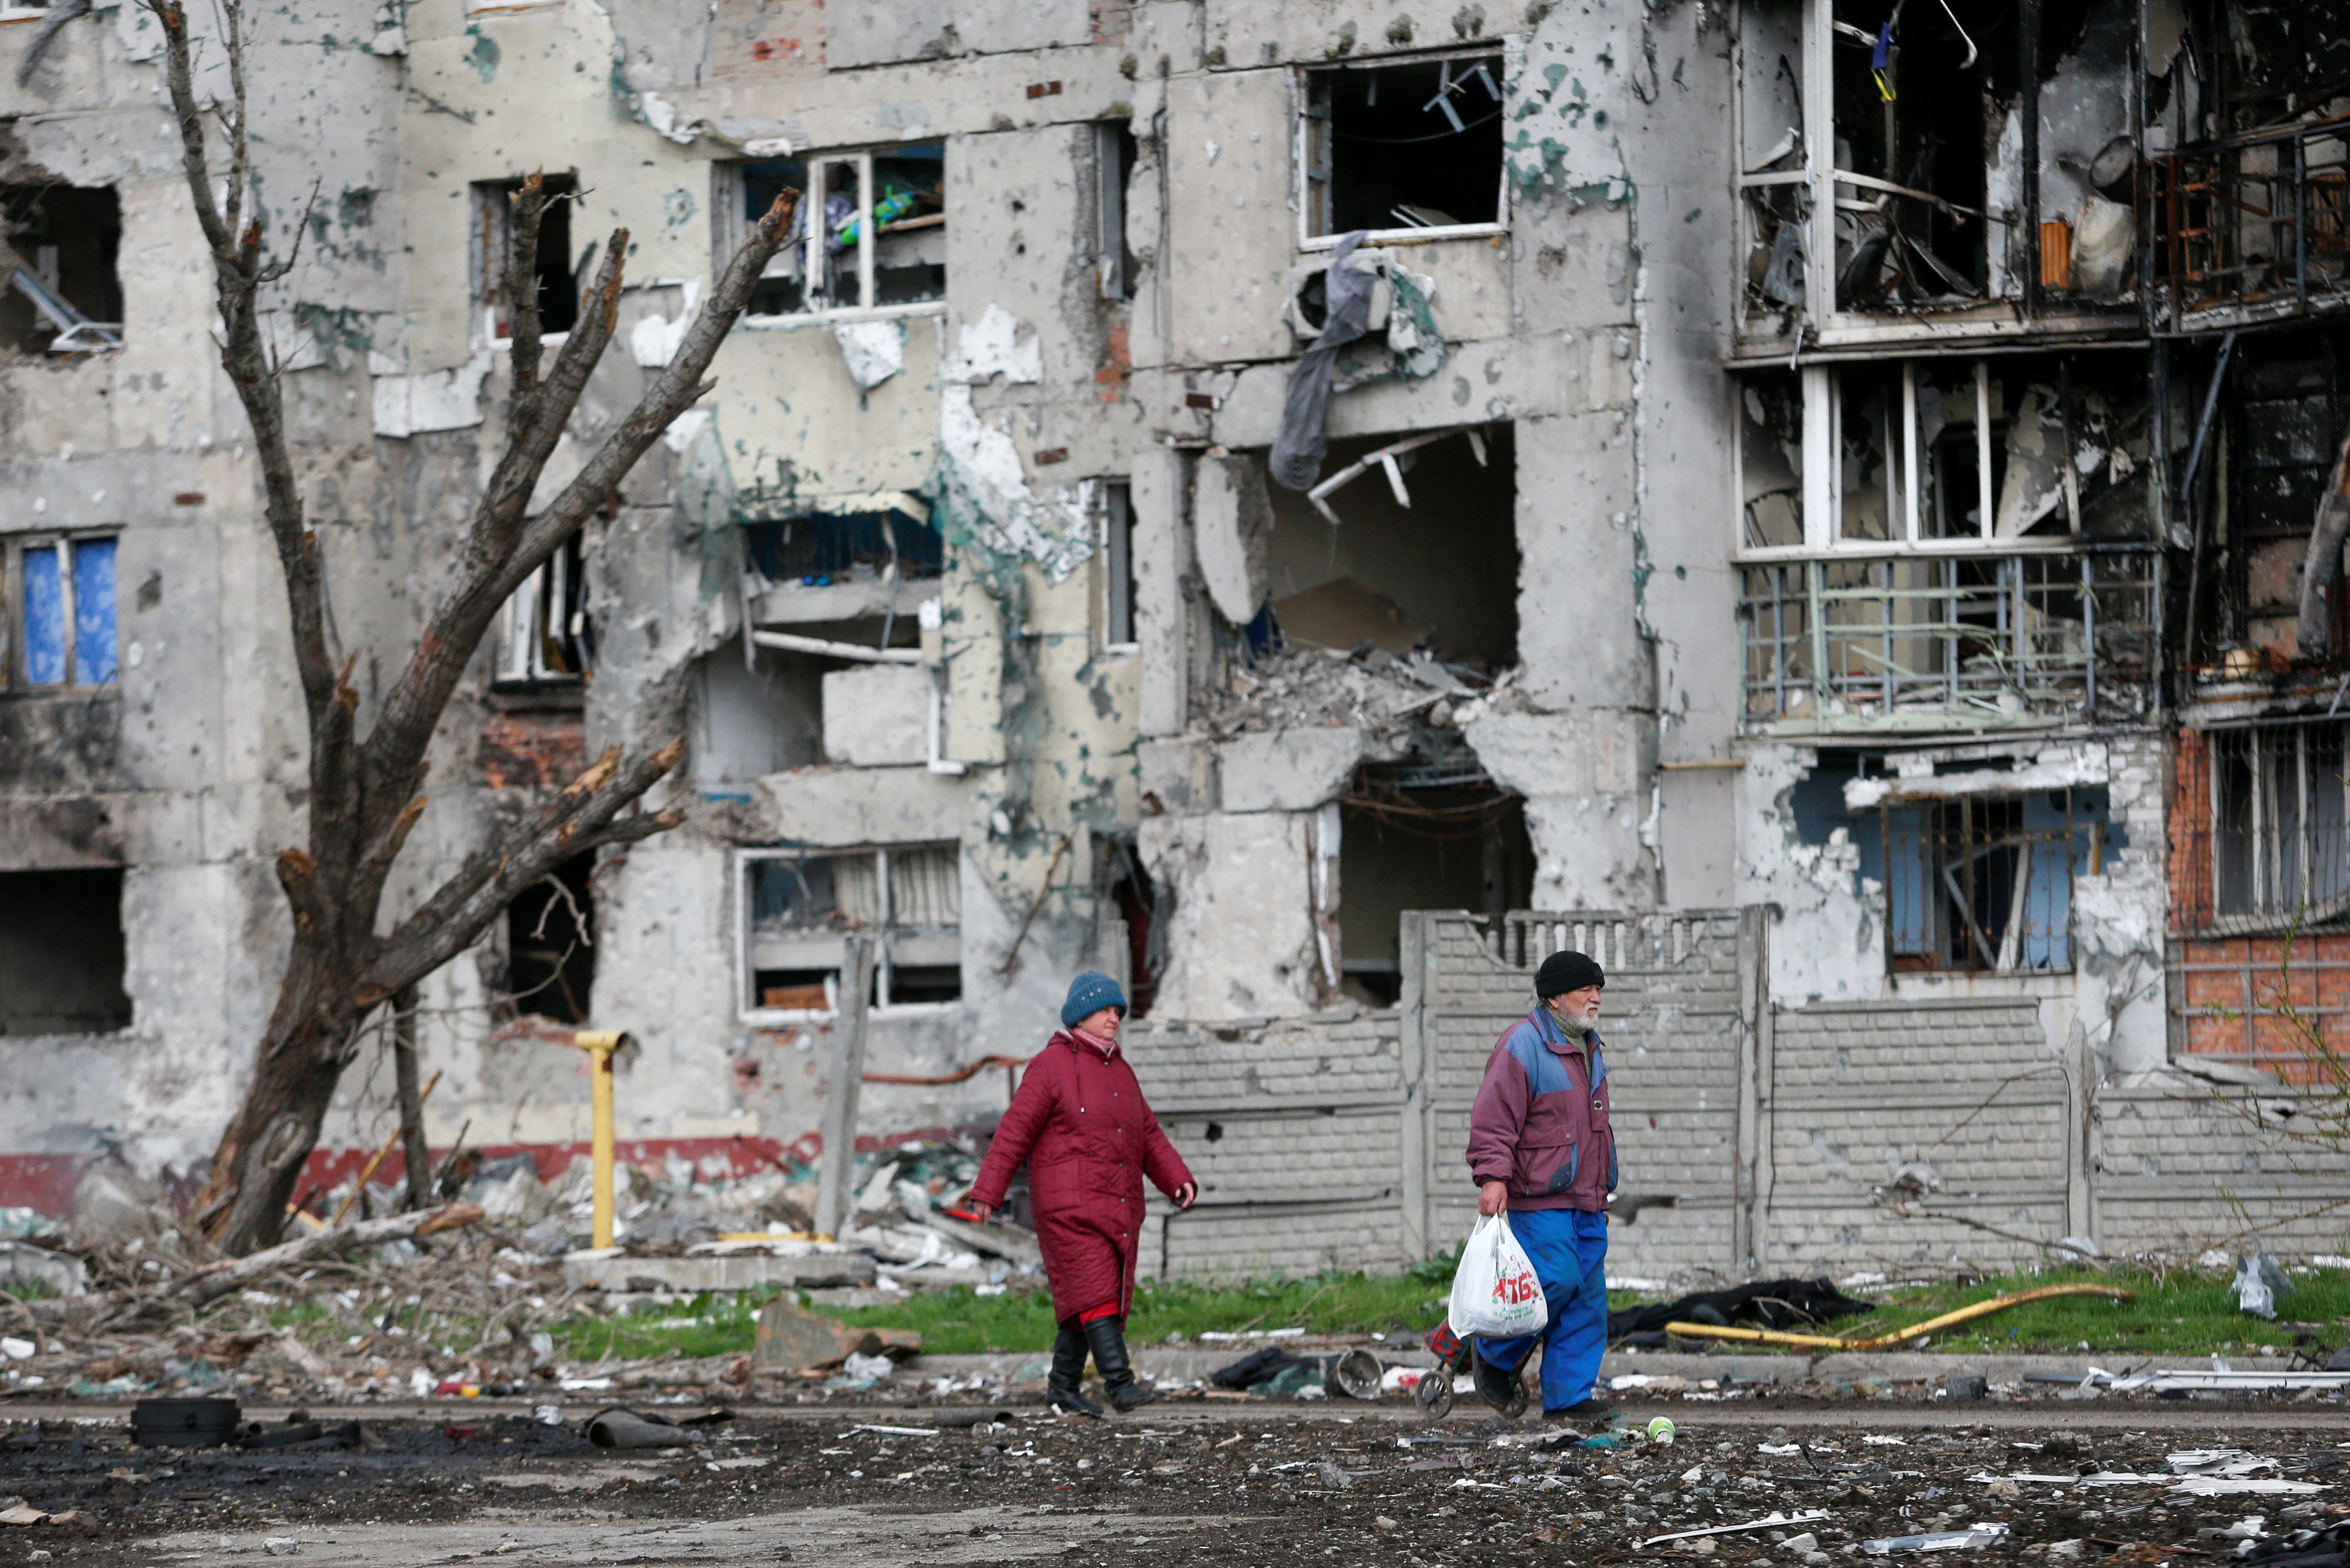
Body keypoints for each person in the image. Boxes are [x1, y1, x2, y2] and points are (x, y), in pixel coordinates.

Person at [963, 970, 1198, 1415]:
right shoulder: (1050, 1067)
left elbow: (1147, 1133)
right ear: (1079, 1015)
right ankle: (1121, 1385)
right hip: (1067, 1207)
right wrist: (987, 1193)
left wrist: (1176, 1178)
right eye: (1103, 1009)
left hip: (1117, 1204)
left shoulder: (1121, 1071)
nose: (1113, 1018)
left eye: (1117, 1011)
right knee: (1095, 1294)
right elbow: (1014, 1132)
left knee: (1086, 1299)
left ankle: (1062, 1388)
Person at [1463, 948, 1617, 1425]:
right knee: (1555, 1281)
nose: (1595, 998)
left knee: (1587, 1300)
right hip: (1538, 1198)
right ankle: (1492, 1353)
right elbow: (1493, 1121)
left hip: (1586, 1198)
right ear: (1554, 997)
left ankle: (1568, 1398)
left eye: (1598, 990)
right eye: (1584, 989)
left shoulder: (1588, 1047)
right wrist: (1492, 1177)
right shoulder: (1522, 1046)